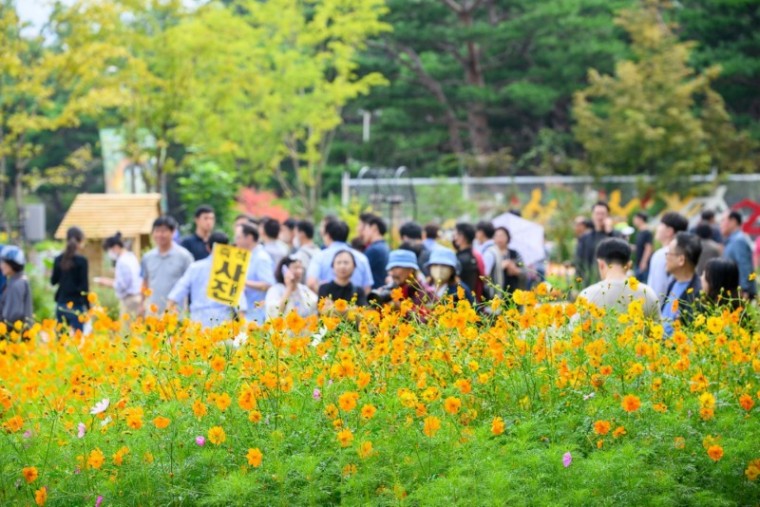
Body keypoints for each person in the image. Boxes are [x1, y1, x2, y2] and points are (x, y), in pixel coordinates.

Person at [167, 232, 246, 328]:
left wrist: (168, 316)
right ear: (227, 248)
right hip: (222, 323)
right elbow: (239, 300)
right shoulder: (231, 270)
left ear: (208, 247)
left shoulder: (195, 267)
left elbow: (177, 292)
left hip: (197, 322)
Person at [578, 238, 659, 319]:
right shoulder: (648, 294)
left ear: (601, 264)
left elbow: (574, 329)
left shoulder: (587, 296)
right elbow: (658, 328)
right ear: (629, 265)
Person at [140, 216, 194, 315]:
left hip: (176, 314)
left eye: (164, 231)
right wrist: (142, 304)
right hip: (153, 314)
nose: (160, 234)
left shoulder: (184, 256)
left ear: (173, 232)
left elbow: (192, 284)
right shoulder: (147, 257)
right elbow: (145, 282)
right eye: (157, 231)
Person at [306, 219, 373, 294]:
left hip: (328, 304)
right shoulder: (362, 258)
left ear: (328, 236)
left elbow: (311, 283)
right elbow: (367, 289)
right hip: (355, 304)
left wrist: (326, 299)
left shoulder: (319, 257)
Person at [661, 232, 702, 336]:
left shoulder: (697, 293)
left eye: (669, 253)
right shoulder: (674, 282)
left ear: (681, 260)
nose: (665, 257)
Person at [94, 232, 143, 318]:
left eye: (109, 250)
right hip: (136, 297)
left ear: (116, 247)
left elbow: (122, 285)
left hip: (130, 300)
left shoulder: (122, 261)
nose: (109, 254)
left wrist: (105, 282)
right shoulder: (131, 256)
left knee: (127, 329)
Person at [235, 222, 275, 324]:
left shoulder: (261, 258)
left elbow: (268, 284)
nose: (236, 241)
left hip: (257, 315)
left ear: (249, 237)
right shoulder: (246, 256)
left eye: (239, 238)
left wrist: (243, 282)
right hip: (246, 312)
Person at [51, 226, 89, 332]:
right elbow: (84, 288)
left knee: (61, 342)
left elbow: (53, 281)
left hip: (61, 304)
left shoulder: (58, 259)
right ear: (80, 241)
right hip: (76, 305)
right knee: (77, 342)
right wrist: (88, 307)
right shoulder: (82, 261)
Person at [647, 211, 689, 298]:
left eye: (660, 225)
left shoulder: (662, 254)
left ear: (669, 231)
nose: (657, 228)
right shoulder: (682, 252)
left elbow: (658, 289)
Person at [575, 201, 613, 285]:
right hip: (589, 283)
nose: (600, 217)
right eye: (597, 213)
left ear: (608, 216)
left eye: (603, 214)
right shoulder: (585, 238)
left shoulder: (615, 236)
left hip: (610, 284)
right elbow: (579, 262)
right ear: (592, 215)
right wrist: (578, 284)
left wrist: (609, 233)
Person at [721, 210, 757, 299]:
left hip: (743, 294)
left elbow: (744, 265)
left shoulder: (738, 240)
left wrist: (744, 290)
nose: (720, 224)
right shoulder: (732, 240)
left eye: (723, 220)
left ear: (733, 222)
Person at [0, 246, 33, 328]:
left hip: (13, 336)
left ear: (12, 264)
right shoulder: (16, 280)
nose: (1, 265)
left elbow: (12, 315)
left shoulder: (17, 284)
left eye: (3, 262)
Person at [453, 222, 485, 302]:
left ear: (462, 237)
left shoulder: (461, 259)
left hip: (462, 302)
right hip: (473, 298)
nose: (454, 238)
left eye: (456, 235)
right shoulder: (475, 255)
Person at [493, 227, 526, 296]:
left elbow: (524, 271)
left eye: (502, 236)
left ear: (508, 237)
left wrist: (515, 270)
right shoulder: (491, 254)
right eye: (497, 236)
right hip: (496, 293)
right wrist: (501, 266)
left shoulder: (515, 253)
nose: (499, 239)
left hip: (514, 292)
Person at [476, 221, 505, 299]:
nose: (476, 235)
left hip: (490, 296)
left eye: (477, 232)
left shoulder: (488, 252)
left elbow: (485, 275)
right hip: (496, 295)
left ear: (481, 233)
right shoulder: (494, 248)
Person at [362, 214, 390, 289]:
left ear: (374, 228)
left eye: (365, 229)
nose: (363, 233)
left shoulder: (374, 250)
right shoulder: (385, 246)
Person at [632, 212, 653, 283]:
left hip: (644, 264)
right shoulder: (640, 232)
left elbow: (648, 248)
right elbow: (639, 247)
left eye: (635, 219)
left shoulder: (647, 232)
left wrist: (644, 262)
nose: (634, 221)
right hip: (638, 263)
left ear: (640, 219)